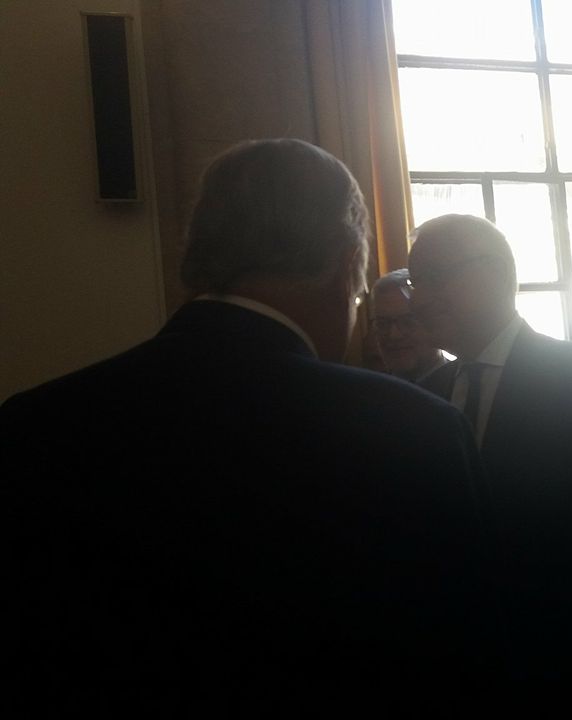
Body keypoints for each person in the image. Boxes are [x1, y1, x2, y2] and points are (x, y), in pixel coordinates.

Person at [0, 139, 492, 715]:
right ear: (345, 266)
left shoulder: (32, 426)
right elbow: (459, 666)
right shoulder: (416, 429)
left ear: (197, 257)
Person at [408, 213, 572, 715]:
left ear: (495, 273)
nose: (418, 299)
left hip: (568, 672)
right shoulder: (425, 398)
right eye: (414, 282)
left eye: (435, 278)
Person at [368, 268, 446, 382]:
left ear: (434, 322)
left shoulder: (462, 387)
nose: (394, 335)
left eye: (408, 322)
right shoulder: (367, 389)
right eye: (382, 323)